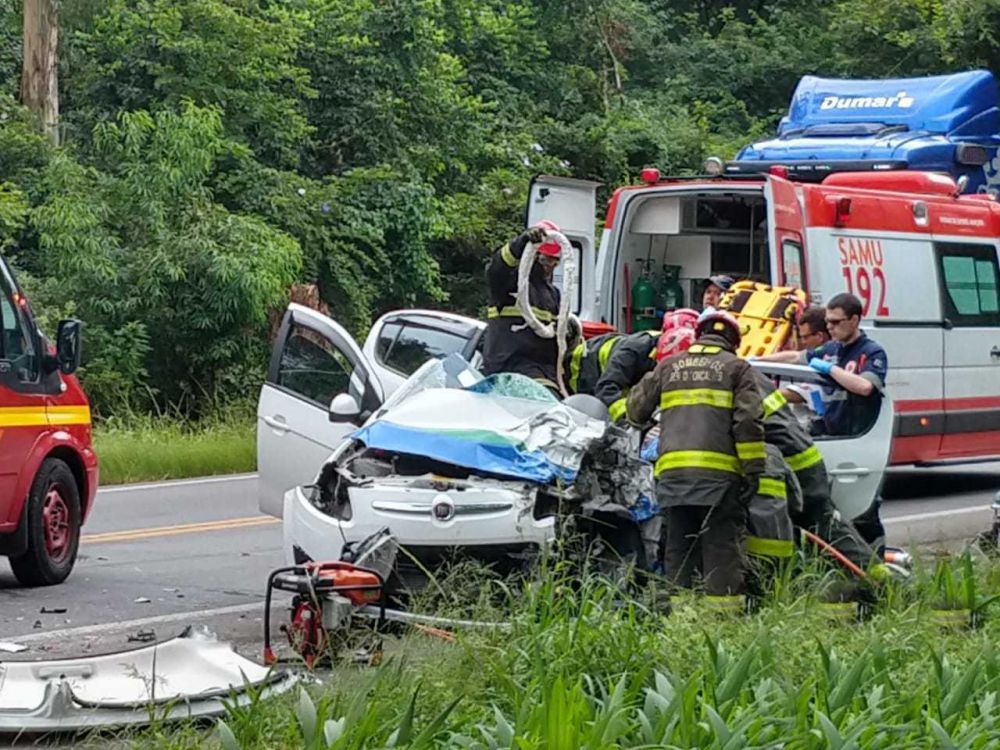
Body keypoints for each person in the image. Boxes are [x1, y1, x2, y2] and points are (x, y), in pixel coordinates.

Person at [626, 309, 765, 612]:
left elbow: (635, 411)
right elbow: (748, 423)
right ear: (733, 341)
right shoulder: (737, 369)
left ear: (699, 335)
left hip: (673, 478)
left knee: (679, 548)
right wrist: (754, 471)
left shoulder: (668, 366)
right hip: (719, 480)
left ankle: (683, 618)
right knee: (721, 550)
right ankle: (721, 621)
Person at [757, 292, 889, 547]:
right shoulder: (831, 349)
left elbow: (864, 387)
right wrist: (755, 361)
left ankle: (876, 561)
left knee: (862, 516)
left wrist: (831, 370)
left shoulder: (871, 352)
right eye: (828, 322)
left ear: (854, 320)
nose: (830, 327)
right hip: (831, 433)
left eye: (837, 322)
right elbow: (795, 358)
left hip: (855, 435)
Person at [481, 221, 563, 392]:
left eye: (555, 261)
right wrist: (520, 243)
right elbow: (496, 269)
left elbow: (553, 341)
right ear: (533, 254)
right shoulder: (509, 282)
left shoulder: (552, 294)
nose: (550, 266)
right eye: (546, 259)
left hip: (541, 370)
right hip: (508, 367)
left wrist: (567, 332)